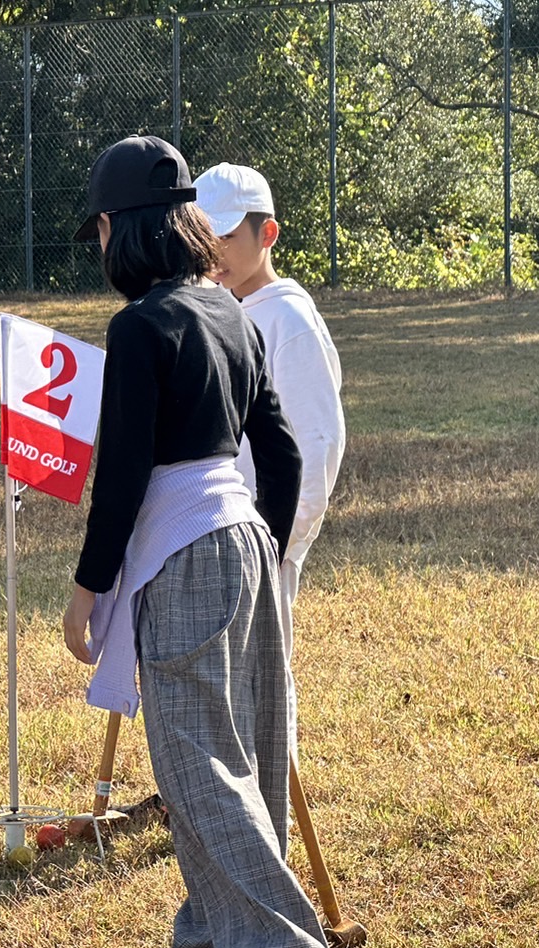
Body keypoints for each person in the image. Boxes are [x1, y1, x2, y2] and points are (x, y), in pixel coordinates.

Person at [60, 136, 346, 948]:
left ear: (115, 230)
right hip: (245, 543)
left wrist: (86, 590)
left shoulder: (140, 326)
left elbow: (126, 474)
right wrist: (266, 532)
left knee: (195, 764)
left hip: (184, 549)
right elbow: (283, 446)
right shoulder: (230, 309)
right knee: (244, 756)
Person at [192, 162, 345, 654]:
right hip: (220, 535)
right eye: (204, 237)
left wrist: (276, 545)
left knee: (262, 679)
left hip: (264, 542)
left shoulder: (288, 319)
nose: (215, 253)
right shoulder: (218, 309)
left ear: (268, 234)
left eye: (228, 237)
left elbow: (318, 445)